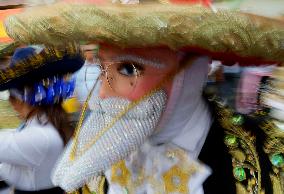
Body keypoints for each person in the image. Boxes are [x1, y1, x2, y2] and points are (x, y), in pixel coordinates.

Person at [2, 2, 284, 194]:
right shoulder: (99, 151)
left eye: (128, 69)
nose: (102, 93)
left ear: (191, 73)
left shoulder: (267, 158)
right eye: (103, 69)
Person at [0, 44, 84, 194]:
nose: (10, 102)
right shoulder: (52, 124)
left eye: (11, 96)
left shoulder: (41, 136)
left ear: (23, 99)